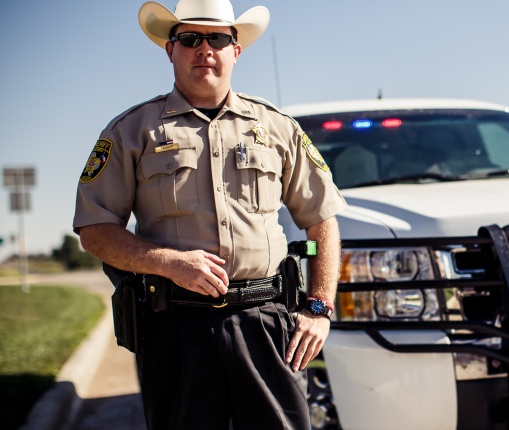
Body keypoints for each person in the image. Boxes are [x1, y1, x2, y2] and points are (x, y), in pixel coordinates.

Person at [72, 0, 347, 428]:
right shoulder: (131, 131)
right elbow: (95, 230)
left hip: (268, 324)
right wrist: (167, 262)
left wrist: (320, 307)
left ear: (235, 50)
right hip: (175, 330)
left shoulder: (277, 127)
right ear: (170, 49)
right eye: (190, 38)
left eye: (217, 38)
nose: (204, 49)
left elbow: (322, 219)